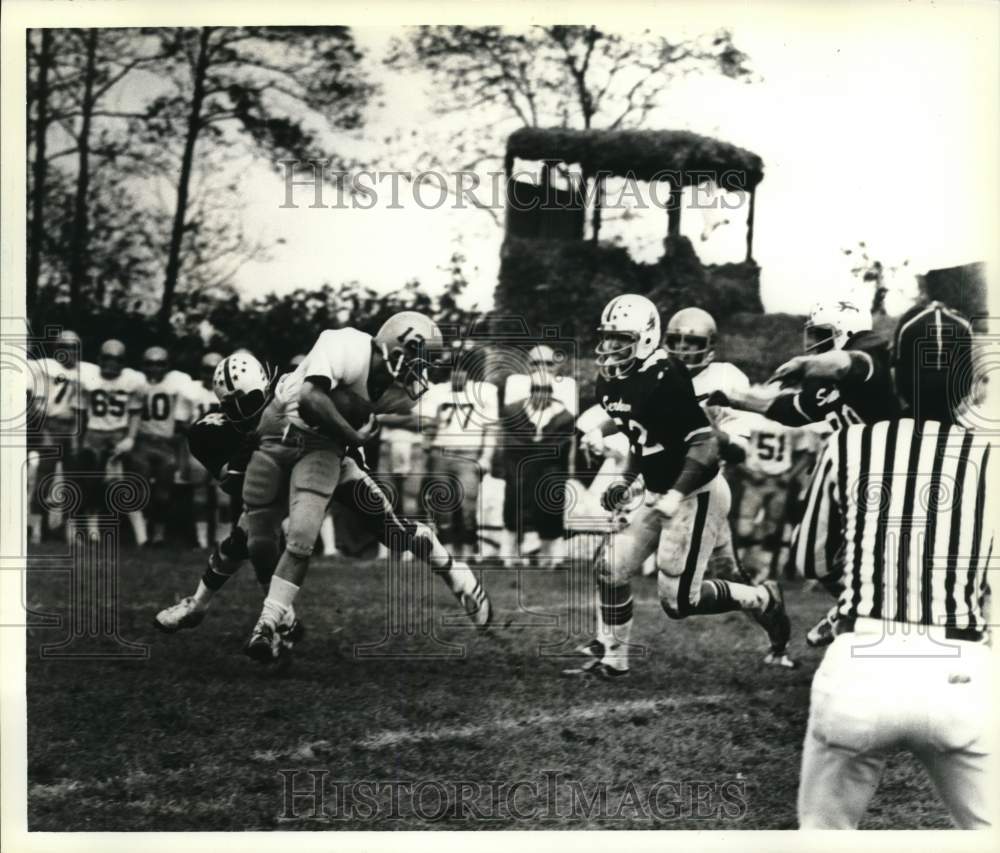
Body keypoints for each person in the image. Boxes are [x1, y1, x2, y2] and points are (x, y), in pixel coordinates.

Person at [796, 301, 992, 829]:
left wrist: (866, 578)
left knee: (823, 833)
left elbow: (809, 557)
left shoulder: (851, 442)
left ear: (898, 377)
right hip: (959, 669)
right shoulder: (993, 457)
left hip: (860, 661)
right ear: (971, 381)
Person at [240, 312, 493, 663]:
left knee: (388, 532)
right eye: (419, 361)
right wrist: (355, 434)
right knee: (258, 539)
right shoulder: (342, 344)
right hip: (283, 445)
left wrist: (353, 439)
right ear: (396, 347)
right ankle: (274, 622)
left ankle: (456, 573)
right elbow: (313, 399)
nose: (421, 373)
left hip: (329, 453)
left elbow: (340, 419)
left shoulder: (399, 395)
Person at [569, 294, 791, 679]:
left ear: (644, 337)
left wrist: (673, 494)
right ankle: (614, 659)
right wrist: (625, 481)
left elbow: (708, 446)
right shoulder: (618, 378)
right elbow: (641, 437)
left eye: (621, 338)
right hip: (660, 491)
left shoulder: (665, 377)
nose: (611, 347)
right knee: (610, 567)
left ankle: (762, 597)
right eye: (608, 337)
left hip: (695, 491)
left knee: (678, 601)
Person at [419, 340, 498, 558]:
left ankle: (468, 550)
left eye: (462, 371)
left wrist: (487, 457)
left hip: (469, 453)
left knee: (468, 505)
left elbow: (491, 429)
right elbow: (426, 428)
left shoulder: (485, 391)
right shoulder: (436, 392)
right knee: (442, 505)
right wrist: (424, 454)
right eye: (453, 371)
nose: (458, 376)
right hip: (441, 452)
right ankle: (445, 551)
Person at [74, 339, 147, 543]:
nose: (111, 363)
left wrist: (131, 437)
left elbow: (135, 412)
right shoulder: (87, 378)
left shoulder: (133, 380)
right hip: (94, 433)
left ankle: (141, 534)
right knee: (92, 483)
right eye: (107, 358)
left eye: (117, 359)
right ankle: (93, 530)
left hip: (119, 433)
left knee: (127, 483)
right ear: (99, 358)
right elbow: (81, 414)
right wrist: (79, 440)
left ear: (123, 361)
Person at [132, 346, 194, 546]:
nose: (154, 368)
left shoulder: (176, 382)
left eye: (160, 364)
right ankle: (142, 535)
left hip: (165, 444)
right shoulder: (136, 382)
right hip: (142, 441)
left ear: (167, 366)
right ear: (143, 365)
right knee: (139, 487)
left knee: (163, 491)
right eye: (149, 364)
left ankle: (158, 535)